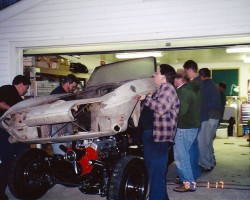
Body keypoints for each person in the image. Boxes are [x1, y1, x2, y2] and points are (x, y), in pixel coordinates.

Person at [138, 64, 180, 200]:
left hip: (159, 137)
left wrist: (146, 99)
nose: (154, 75)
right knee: (155, 172)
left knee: (156, 172)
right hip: (153, 136)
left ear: (163, 76)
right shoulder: (160, 89)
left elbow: (161, 108)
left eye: (156, 73)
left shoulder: (168, 88)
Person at [0, 75, 31, 200]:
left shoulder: (19, 99)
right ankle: (1, 191)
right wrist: (12, 111)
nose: (26, 90)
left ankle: (18, 185)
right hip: (3, 131)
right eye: (27, 87)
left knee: (21, 156)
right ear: (21, 84)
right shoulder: (7, 89)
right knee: (7, 160)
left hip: (13, 132)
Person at [173, 71, 200, 192]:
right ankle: (186, 179)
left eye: (174, 78)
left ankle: (188, 184)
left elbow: (180, 111)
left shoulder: (183, 91)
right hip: (192, 126)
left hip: (184, 128)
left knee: (181, 158)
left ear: (179, 79)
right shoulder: (193, 89)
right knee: (185, 156)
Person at [198, 68, 222, 171]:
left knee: (204, 142)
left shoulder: (204, 85)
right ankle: (211, 162)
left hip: (209, 116)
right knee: (209, 141)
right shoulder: (214, 85)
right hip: (216, 116)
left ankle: (205, 165)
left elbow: (202, 102)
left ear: (201, 75)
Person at [182, 60, 202, 180]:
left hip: (194, 120)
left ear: (189, 70)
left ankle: (192, 174)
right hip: (198, 119)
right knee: (194, 146)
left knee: (190, 148)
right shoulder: (200, 82)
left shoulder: (195, 84)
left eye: (185, 71)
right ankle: (195, 171)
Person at [50, 74, 79, 155]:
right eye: (73, 86)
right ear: (68, 83)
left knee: (68, 152)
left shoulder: (69, 94)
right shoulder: (56, 94)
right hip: (57, 129)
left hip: (66, 127)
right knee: (61, 153)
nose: (74, 89)